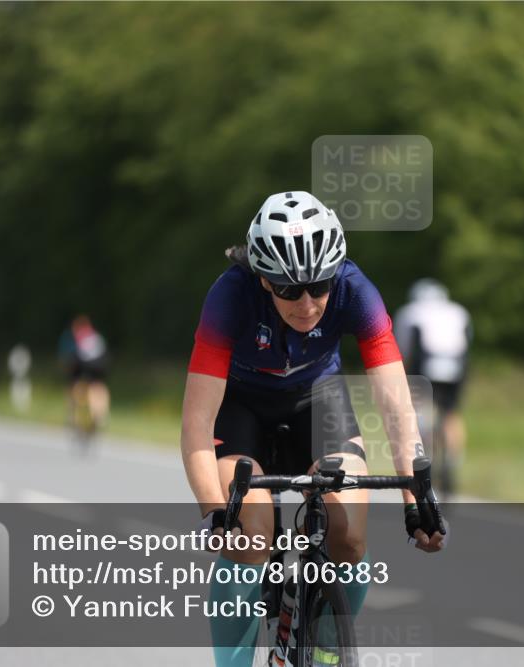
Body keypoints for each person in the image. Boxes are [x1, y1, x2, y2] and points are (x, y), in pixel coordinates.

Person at [181, 191, 445, 667]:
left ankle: (323, 650)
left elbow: (395, 407)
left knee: (348, 538)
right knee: (249, 535)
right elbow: (197, 422)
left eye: (319, 286)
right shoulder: (229, 295)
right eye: (288, 290)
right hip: (241, 406)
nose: (307, 303)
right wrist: (216, 512)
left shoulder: (355, 290)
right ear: (264, 279)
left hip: (318, 400)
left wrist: (417, 500)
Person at [393, 279, 472, 493]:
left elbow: (404, 350)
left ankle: (425, 455)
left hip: (426, 363)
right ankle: (452, 461)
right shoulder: (458, 311)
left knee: (420, 410)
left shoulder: (410, 312)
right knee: (451, 414)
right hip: (456, 365)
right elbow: (467, 342)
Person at [57, 314, 110, 433]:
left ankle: (72, 416)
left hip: (83, 366)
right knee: (98, 386)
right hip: (99, 367)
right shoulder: (97, 337)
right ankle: (100, 415)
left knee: (74, 386)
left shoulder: (78, 337)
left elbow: (72, 359)